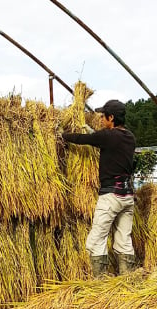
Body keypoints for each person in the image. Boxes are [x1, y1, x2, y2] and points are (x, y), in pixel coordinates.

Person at [61, 99, 136, 277]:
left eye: (103, 117)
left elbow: (82, 139)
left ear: (111, 117)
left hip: (111, 196)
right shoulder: (130, 137)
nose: (101, 120)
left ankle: (100, 284)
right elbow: (111, 146)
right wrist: (97, 134)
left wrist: (62, 135)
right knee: (124, 240)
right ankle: (128, 280)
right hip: (128, 197)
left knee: (95, 241)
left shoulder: (108, 136)